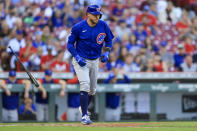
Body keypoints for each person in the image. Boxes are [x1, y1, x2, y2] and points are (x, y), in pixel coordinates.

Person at [67, 4, 114, 125]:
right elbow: (70, 45)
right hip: (81, 59)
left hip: (95, 60)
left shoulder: (103, 25)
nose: (97, 16)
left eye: (99, 14)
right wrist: (76, 56)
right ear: (87, 14)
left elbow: (108, 39)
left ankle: (83, 107)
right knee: (85, 85)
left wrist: (107, 53)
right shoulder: (78, 27)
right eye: (94, 14)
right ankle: (84, 116)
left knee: (92, 90)